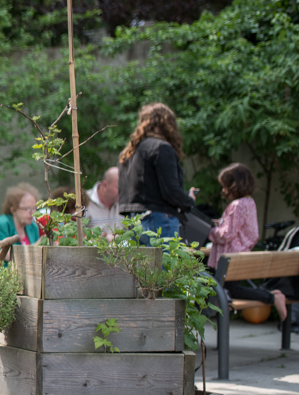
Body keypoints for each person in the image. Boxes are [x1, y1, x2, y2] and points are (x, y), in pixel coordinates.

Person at [206, 163, 287, 321]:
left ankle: (272, 298)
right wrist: (222, 223)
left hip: (230, 258)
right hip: (240, 254)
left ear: (234, 185)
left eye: (225, 186)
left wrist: (210, 230)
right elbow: (244, 230)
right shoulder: (249, 202)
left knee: (232, 291)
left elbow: (227, 234)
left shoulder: (237, 205)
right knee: (226, 290)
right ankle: (272, 295)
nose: (223, 190)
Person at [118, 103, 195, 243]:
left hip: (133, 221)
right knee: (163, 258)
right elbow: (171, 192)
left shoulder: (129, 153)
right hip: (158, 219)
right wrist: (189, 201)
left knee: (139, 259)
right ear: (169, 125)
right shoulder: (161, 148)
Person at [0, 183, 40, 256]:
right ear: (13, 210)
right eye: (27, 208)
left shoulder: (33, 227)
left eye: (34, 208)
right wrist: (36, 246)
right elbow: (5, 255)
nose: (32, 212)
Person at [85, 166, 122, 233]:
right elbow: (75, 234)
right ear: (105, 185)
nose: (123, 191)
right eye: (119, 187)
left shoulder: (124, 202)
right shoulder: (84, 201)